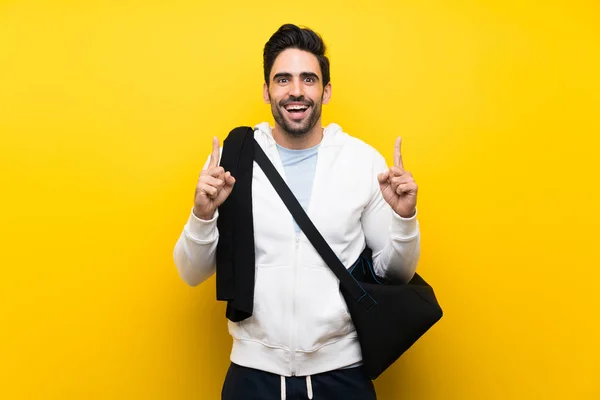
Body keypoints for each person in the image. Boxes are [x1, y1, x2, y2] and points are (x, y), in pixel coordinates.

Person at [173, 23, 420, 400]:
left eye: (309, 79)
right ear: (266, 91)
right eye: (283, 79)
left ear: (326, 90)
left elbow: (397, 272)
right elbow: (191, 273)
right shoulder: (233, 159)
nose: (296, 91)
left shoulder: (361, 161)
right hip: (253, 376)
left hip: (341, 377)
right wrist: (202, 215)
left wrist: (404, 219)